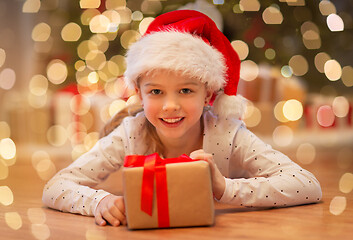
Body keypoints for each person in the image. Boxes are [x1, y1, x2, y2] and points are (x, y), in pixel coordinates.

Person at [42, 10, 322, 227]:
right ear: (139, 94)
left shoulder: (227, 134)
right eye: (156, 92)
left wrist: (225, 187)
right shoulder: (132, 133)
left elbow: (307, 186)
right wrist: (98, 201)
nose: (170, 106)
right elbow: (55, 186)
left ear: (208, 94)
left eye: (186, 90)